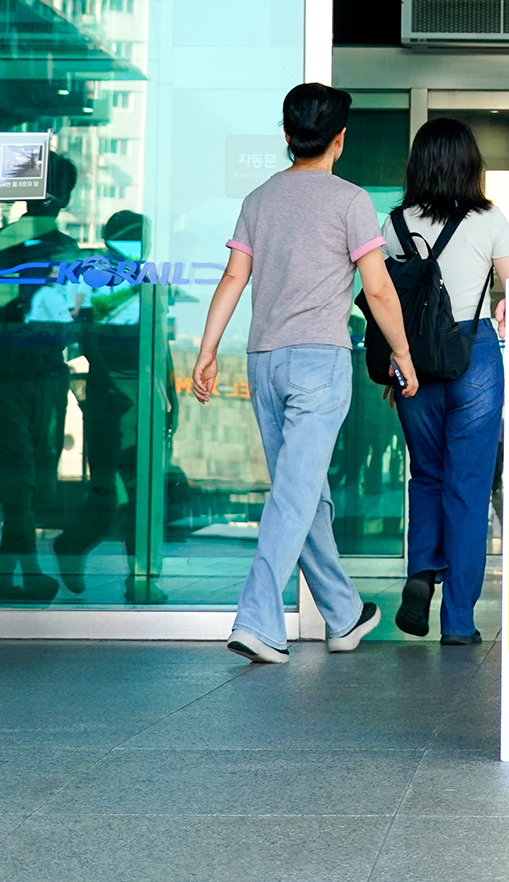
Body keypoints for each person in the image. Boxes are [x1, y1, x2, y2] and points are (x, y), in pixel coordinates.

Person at [193, 83, 418, 663]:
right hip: (318, 361)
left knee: (303, 492)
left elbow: (232, 280)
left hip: (264, 362)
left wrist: (207, 350)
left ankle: (342, 614)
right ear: (339, 140)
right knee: (295, 495)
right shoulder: (349, 201)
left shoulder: (259, 199)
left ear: (288, 136)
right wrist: (403, 354)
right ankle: (259, 619)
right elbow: (378, 288)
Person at [384, 119, 509, 646]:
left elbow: (384, 300)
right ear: (471, 165)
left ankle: (421, 572)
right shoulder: (489, 219)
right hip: (475, 354)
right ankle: (460, 623)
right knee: (468, 485)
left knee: (427, 475)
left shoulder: (392, 223)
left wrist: (396, 363)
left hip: (413, 362)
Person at [0, 153, 84, 602]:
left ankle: (8, 577)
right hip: (33, 372)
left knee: (22, 479)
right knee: (24, 478)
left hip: (7, 369)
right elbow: (75, 321)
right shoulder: (62, 249)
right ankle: (24, 572)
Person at [57, 209, 178, 604]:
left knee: (143, 490)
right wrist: (110, 389)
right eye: (130, 237)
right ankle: (78, 546)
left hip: (148, 391)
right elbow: (89, 337)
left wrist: (170, 394)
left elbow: (161, 341)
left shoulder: (150, 278)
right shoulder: (99, 278)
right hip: (116, 395)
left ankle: (138, 577)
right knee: (116, 492)